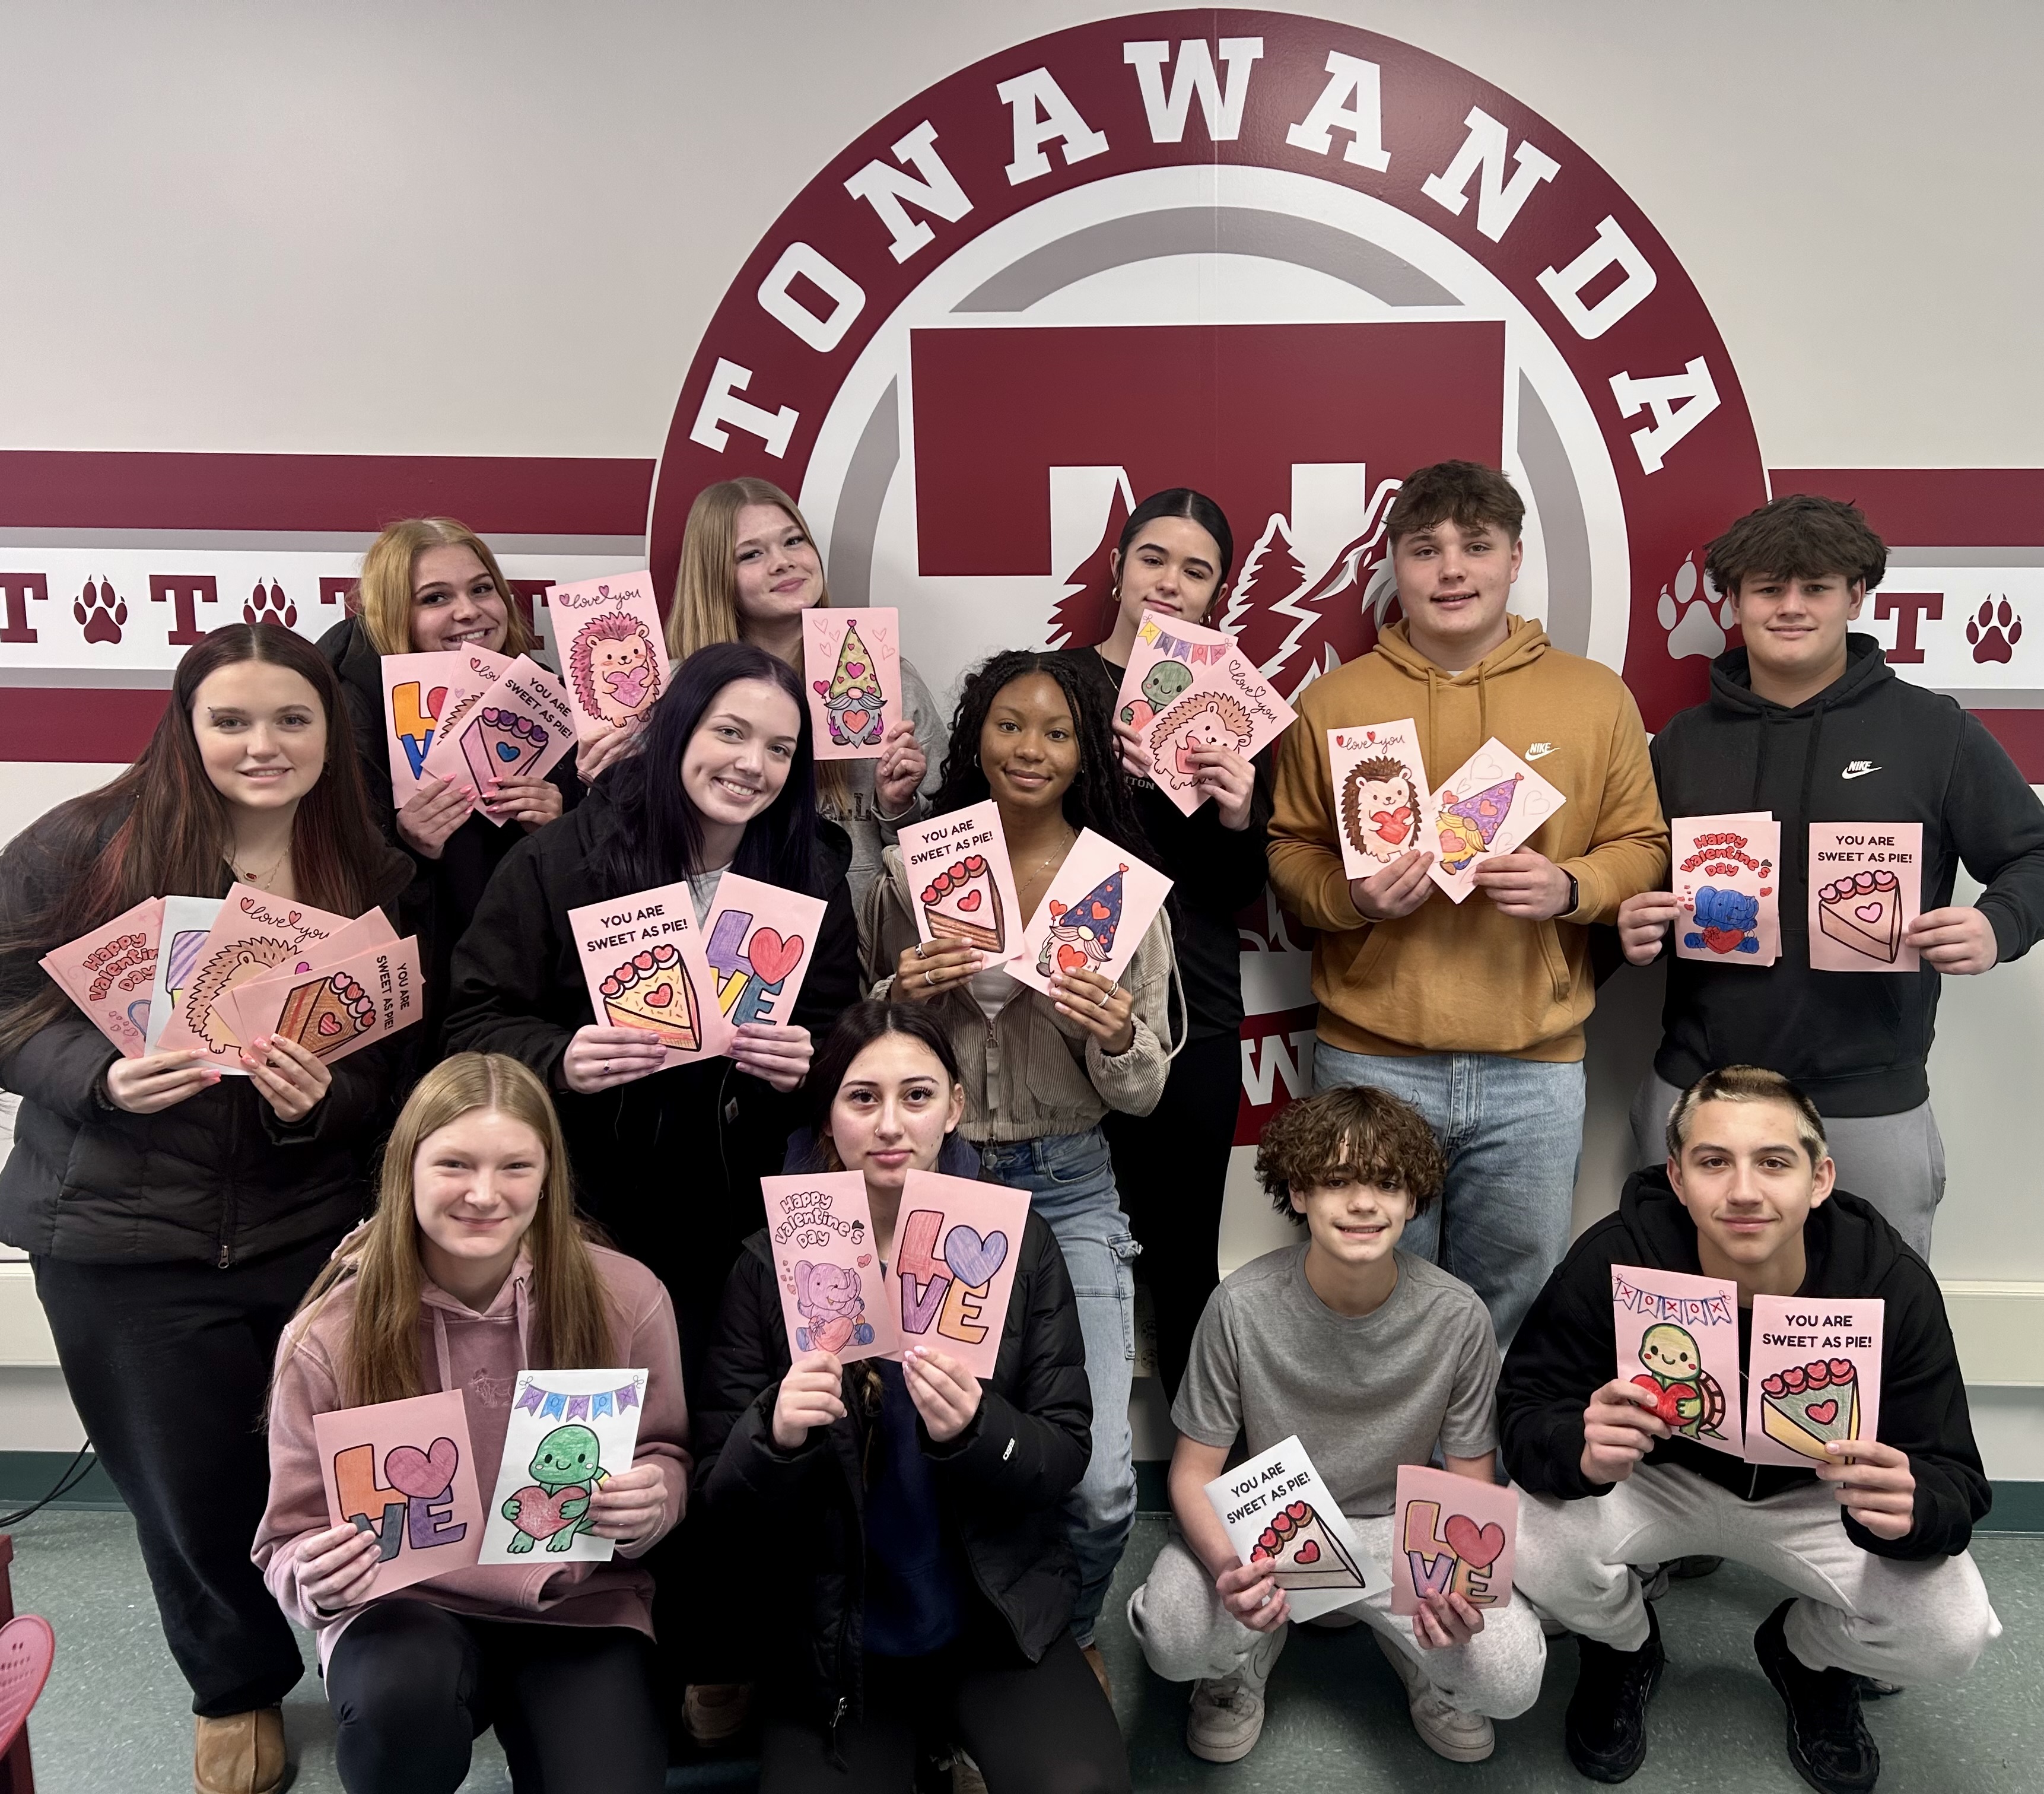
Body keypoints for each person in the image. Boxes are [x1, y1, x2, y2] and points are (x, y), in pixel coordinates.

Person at [0, 623, 411, 1794]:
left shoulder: (372, 869)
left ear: (333, 732)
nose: (263, 743)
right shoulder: (90, 842)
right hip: (119, 1238)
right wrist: (96, 1074)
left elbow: (390, 1061)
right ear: (186, 725)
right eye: (231, 718)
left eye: (293, 718)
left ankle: (370, 1651)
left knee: (337, 1464)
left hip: (309, 1227)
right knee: (187, 1486)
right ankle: (232, 1682)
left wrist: (318, 1100)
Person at [1501, 1065, 1997, 1790]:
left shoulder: (1887, 1279)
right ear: (1675, 1176)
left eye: (1773, 1162)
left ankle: (1805, 1653)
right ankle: (1624, 1644)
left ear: (1819, 1178)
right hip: (1662, 1481)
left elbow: (1954, 1473)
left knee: (1952, 1630)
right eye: (1712, 1161)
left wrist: (1915, 1501)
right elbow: (1523, 1406)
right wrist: (1576, 1445)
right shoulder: (1616, 1255)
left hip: (1815, 1499)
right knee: (1520, 1532)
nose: (1742, 1190)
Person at [1266, 459, 1667, 1347]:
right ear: (1395, 568)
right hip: (1372, 1059)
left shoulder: (1594, 696)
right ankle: (1378, 1479)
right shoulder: (1335, 701)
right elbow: (1289, 851)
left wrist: (1572, 886)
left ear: (1514, 558)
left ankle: (1478, 1484)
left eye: (1475, 546)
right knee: (1363, 1300)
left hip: (1534, 1065)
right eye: (1425, 549)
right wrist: (1351, 896)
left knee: (1511, 1306)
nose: (1451, 569)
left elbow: (1643, 848)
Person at [696, 1000, 1129, 1794]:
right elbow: (718, 1497)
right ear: (827, 1117)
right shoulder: (770, 1263)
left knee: (1081, 1785)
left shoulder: (1015, 1242)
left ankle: (953, 1737)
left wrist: (978, 1426)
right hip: (836, 1636)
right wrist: (775, 1430)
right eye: (862, 1098)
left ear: (955, 1108)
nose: (890, 1123)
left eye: (917, 1095)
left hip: (989, 1616)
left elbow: (1064, 1451)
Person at [1615, 494, 2044, 1257]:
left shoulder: (1933, 730)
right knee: (1685, 1335)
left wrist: (1996, 924)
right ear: (1733, 601)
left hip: (1868, 1102)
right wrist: (1627, 919)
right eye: (1767, 588)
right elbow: (1628, 873)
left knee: (1867, 1339)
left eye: (1814, 588)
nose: (1790, 607)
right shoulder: (1680, 743)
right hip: (1702, 1092)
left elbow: (2033, 853)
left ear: (1854, 596)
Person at [861, 650, 1178, 1680]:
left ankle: (1072, 1623)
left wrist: (1119, 1033)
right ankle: (935, 1633)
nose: (1029, 748)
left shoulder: (1118, 887)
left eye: (1054, 730)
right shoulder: (917, 868)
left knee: (1098, 1486)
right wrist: (896, 990)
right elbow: (859, 1054)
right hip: (934, 1179)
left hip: (1071, 1179)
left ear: (1086, 749)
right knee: (918, 1445)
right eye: (1008, 724)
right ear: (976, 736)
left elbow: (1144, 1092)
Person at [253, 1052, 689, 1794]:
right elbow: (286, 1537)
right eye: (454, 1162)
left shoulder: (627, 1294)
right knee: (399, 1713)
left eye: (515, 1166)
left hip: (576, 1604)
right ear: (407, 1169)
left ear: (549, 1174)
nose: (484, 1194)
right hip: (404, 1606)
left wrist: (654, 1496)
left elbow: (662, 1449)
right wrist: (312, 1577)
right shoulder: (327, 1332)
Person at [443, 640, 860, 1387]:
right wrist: (562, 1059)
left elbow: (839, 1029)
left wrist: (812, 1062)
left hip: (742, 1220)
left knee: (718, 1429)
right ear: (677, 730)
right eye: (728, 732)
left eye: (779, 749)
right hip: (587, 1211)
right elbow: (472, 1024)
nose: (751, 765)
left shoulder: (811, 874)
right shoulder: (563, 859)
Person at [1127, 1085, 1544, 1766]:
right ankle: (1238, 1660)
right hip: (1270, 1531)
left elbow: (1470, 1482)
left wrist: (1454, 1596)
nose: (1361, 1202)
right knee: (1172, 1637)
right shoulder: (1239, 1305)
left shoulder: (1459, 1314)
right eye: (1337, 1179)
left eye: (1385, 1182)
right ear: (1297, 1192)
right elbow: (1193, 1471)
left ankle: (1428, 1663)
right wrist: (1232, 1569)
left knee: (1508, 1674)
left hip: (1394, 1526)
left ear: (1412, 1199)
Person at [1050, 488, 1273, 1402]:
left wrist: (1234, 812)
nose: (1170, 582)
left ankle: (1199, 1469)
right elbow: (999, 842)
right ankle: (1062, 1462)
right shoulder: (1049, 686)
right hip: (1062, 1009)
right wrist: (1100, 780)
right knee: (1056, 1263)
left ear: (1219, 592)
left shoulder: (1239, 707)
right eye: (1153, 557)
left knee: (1185, 1255)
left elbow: (1237, 892)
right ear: (1116, 566)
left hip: (1194, 1014)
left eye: (1196, 569)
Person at [317, 516, 577, 1046]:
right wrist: (404, 846)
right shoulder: (347, 708)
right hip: (416, 996)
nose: (468, 611)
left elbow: (594, 867)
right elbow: (328, 879)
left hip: (521, 996)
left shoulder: (540, 693)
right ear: (393, 613)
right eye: (435, 598)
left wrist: (561, 822)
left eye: (482, 589)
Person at [664, 476, 939, 904]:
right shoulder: (675, 688)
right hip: (727, 942)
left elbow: (947, 847)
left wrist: (898, 806)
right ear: (715, 574)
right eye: (751, 554)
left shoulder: (891, 680)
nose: (782, 562)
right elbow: (642, 839)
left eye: (793, 541)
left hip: (864, 950)